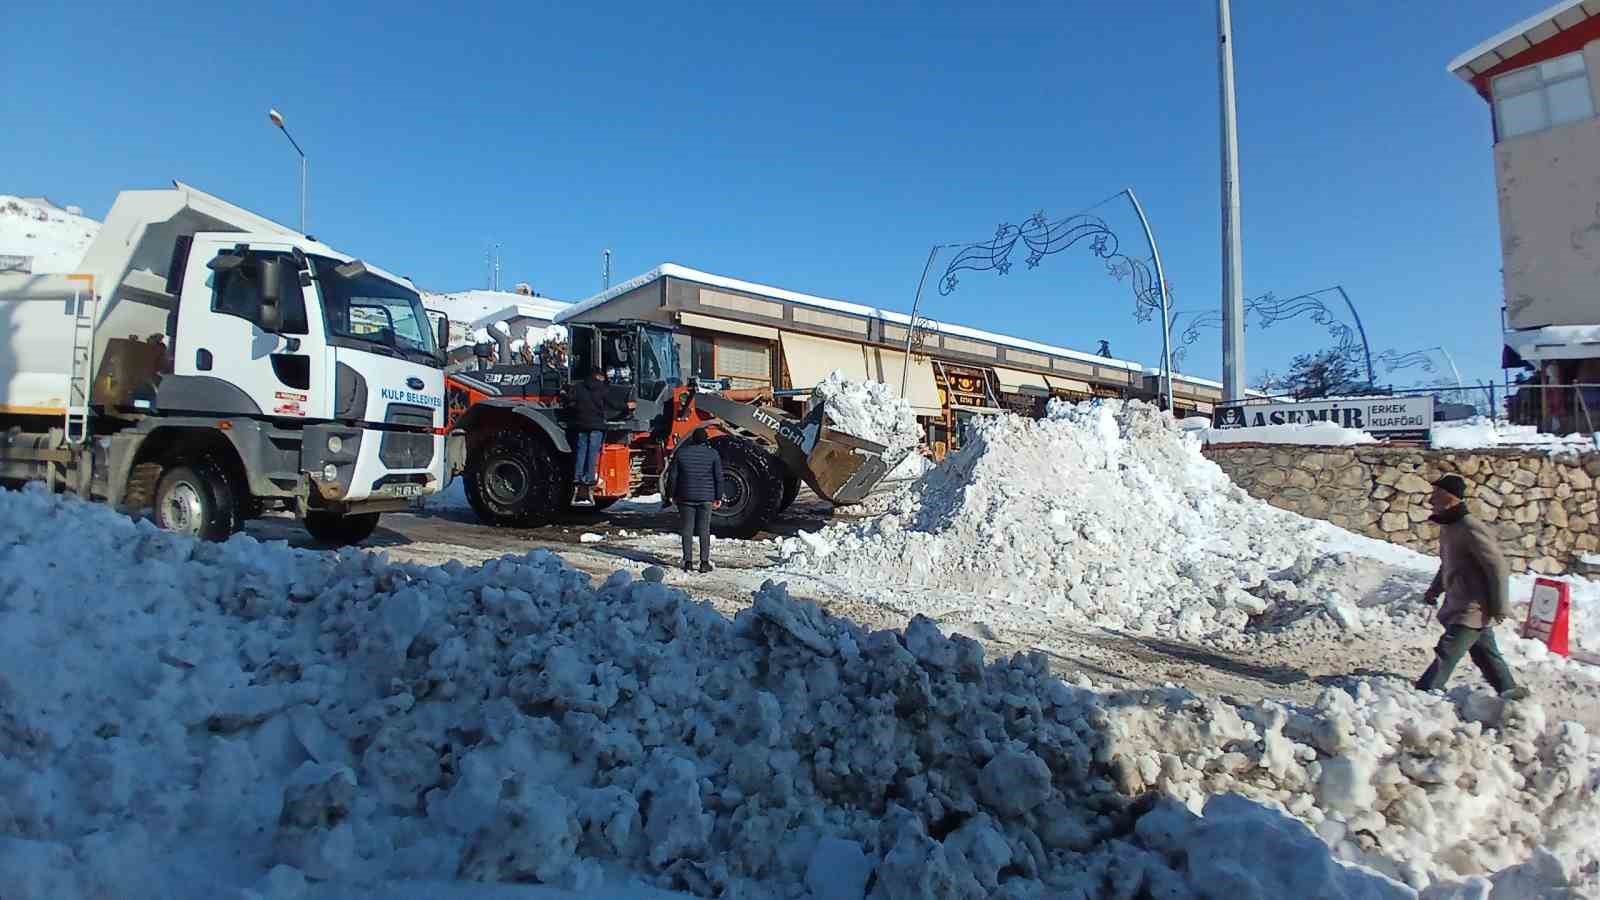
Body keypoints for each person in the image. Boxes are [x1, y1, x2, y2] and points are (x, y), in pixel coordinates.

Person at [1417, 474, 1528, 699]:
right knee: (1485, 653)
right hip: (1460, 600)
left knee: (1448, 651)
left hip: (1473, 605)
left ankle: (1425, 692)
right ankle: (1509, 690)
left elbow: (1497, 567)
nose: (1430, 502)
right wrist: (1434, 589)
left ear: (1449, 499)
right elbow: (1448, 563)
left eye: (1435, 496)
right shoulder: (1450, 527)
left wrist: (1499, 605)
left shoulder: (1470, 528)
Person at [665, 428, 723, 573]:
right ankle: (704, 562)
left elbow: (673, 477)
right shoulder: (713, 454)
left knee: (687, 529)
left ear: (692, 439)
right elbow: (719, 478)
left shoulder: (682, 453)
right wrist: (718, 496)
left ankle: (688, 562)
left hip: (685, 497)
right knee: (704, 530)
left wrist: (670, 494)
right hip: (706, 498)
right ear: (705, 440)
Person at [570, 367, 610, 503]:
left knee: (581, 451)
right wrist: (626, 406)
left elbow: (570, 400)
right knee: (593, 452)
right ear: (598, 376)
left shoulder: (579, 387)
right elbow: (612, 403)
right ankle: (590, 478)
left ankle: (578, 476)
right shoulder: (602, 389)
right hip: (596, 426)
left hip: (581, 424)